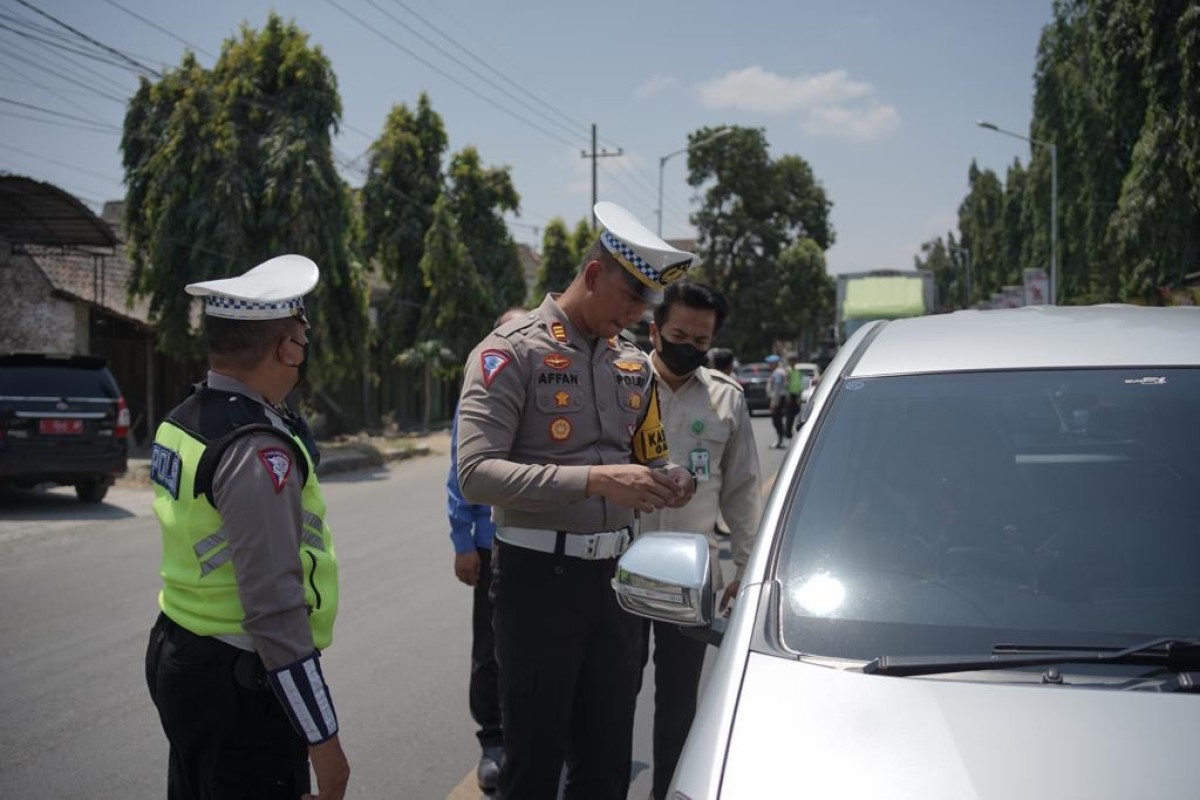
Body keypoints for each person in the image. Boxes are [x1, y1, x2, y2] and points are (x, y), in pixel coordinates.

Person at [456, 201, 697, 800]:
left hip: (617, 581)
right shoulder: (509, 352)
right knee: (535, 761)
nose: (637, 315)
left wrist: (670, 479)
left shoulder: (632, 366)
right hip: (540, 580)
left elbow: (648, 456)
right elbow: (477, 475)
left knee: (607, 758)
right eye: (630, 298)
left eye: (647, 306)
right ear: (592, 275)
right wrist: (596, 481)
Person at [144, 254, 349, 800]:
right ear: (286, 348)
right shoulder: (257, 448)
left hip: (181, 650)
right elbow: (274, 608)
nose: (304, 350)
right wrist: (324, 740)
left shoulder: (182, 420)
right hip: (241, 680)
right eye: (301, 338)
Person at [639, 281, 763, 800]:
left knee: (678, 704)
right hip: (617, 569)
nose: (688, 345)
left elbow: (742, 490)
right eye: (678, 334)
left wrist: (746, 567)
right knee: (606, 699)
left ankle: (668, 792)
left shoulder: (725, 400)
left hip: (693, 579)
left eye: (701, 338)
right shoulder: (621, 384)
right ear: (655, 330)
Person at [446, 306, 527, 793]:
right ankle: (493, 741)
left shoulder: (547, 382)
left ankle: (537, 741)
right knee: (491, 651)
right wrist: (464, 542)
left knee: (543, 651)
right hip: (491, 544)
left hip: (543, 543)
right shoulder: (481, 385)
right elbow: (461, 473)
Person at [766, 354, 788, 448]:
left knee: (776, 420)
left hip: (777, 399)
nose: (769, 365)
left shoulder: (778, 373)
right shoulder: (778, 372)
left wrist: (774, 403)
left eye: (770, 363)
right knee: (777, 420)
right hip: (779, 399)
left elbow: (777, 389)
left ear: (774, 363)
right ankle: (780, 439)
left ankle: (780, 440)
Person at [785, 354, 808, 434]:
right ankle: (788, 432)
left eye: (794, 360)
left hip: (797, 394)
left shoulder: (796, 371)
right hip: (791, 395)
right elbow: (786, 383)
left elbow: (799, 383)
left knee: (798, 413)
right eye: (792, 360)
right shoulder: (788, 371)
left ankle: (797, 429)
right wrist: (788, 395)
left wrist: (799, 395)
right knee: (790, 414)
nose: (793, 362)